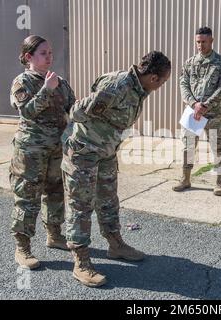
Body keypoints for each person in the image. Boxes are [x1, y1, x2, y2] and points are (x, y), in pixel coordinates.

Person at [62, 51, 171, 287]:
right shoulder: (119, 85)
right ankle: (80, 261)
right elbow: (78, 111)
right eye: (163, 81)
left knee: (108, 200)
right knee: (80, 205)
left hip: (106, 153)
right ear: (153, 77)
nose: (162, 85)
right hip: (84, 152)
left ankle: (115, 244)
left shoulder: (139, 89)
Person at [9, 35, 76, 269]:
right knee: (27, 197)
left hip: (57, 150)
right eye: (43, 53)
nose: (49, 57)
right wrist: (47, 90)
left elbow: (73, 110)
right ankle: (23, 248)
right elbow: (27, 112)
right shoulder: (22, 82)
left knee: (55, 193)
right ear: (29, 57)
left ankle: (54, 235)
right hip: (30, 152)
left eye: (50, 52)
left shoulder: (60, 82)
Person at [173, 26, 221, 196]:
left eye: (204, 42)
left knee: (218, 147)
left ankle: (220, 182)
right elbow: (183, 84)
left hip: (212, 113)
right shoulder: (190, 63)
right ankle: (185, 178)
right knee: (188, 146)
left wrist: (206, 104)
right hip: (193, 112)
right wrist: (193, 104)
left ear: (211, 41)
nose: (200, 45)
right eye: (198, 42)